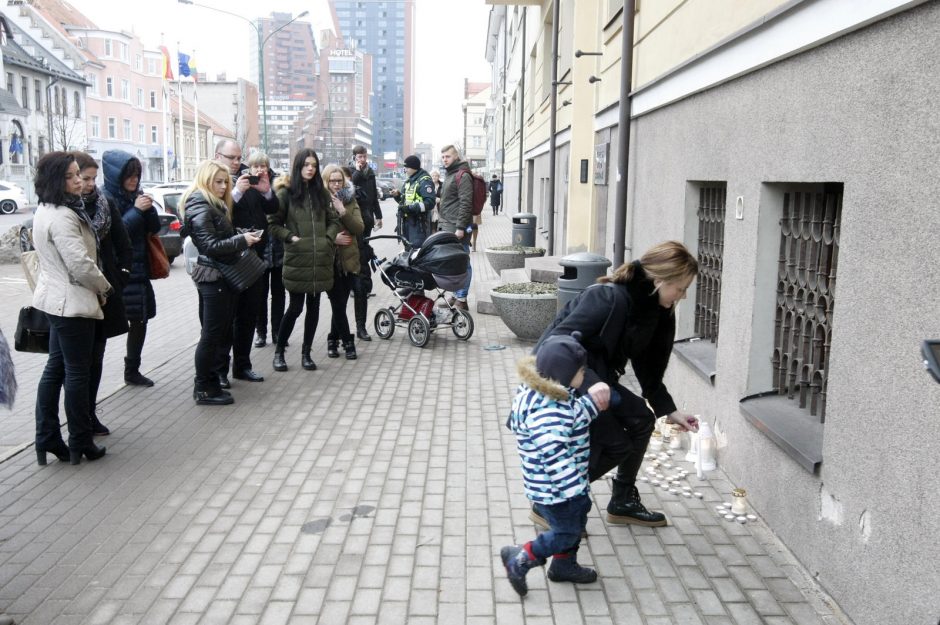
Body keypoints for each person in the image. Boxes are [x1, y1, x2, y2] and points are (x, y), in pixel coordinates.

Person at [533, 241, 701, 528]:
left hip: (599, 381)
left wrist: (669, 410)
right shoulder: (606, 297)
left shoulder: (657, 311)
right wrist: (591, 383)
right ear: (660, 279)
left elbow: (650, 370)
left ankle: (622, 500)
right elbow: (555, 344)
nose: (682, 296)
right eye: (681, 288)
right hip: (566, 380)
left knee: (642, 420)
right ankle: (552, 502)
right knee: (617, 444)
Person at [501, 331, 611, 596]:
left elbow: (571, 417)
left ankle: (563, 566)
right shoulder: (548, 411)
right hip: (557, 490)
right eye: (581, 371)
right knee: (567, 532)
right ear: (564, 374)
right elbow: (554, 455)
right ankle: (522, 558)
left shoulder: (553, 394)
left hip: (557, 487)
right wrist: (575, 489)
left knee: (575, 519)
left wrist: (592, 405)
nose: (584, 375)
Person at [32, 151, 112, 465]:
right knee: (76, 373)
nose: (79, 181)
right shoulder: (64, 215)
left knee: (55, 370)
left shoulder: (46, 209)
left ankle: (47, 438)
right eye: (71, 176)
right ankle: (80, 440)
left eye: (79, 174)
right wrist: (104, 287)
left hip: (55, 300)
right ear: (54, 180)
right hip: (72, 303)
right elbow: (80, 264)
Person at [182, 159, 262, 405]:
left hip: (219, 275)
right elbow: (210, 246)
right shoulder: (200, 204)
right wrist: (242, 240)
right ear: (205, 180)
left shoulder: (210, 204)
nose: (223, 186)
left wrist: (238, 235)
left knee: (217, 334)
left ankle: (210, 383)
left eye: (226, 182)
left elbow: (215, 239)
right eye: (218, 182)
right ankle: (204, 387)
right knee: (212, 335)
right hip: (213, 276)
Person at [268, 148, 342, 372]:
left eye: (314, 165)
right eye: (306, 164)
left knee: (314, 306)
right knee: (295, 307)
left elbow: (334, 220)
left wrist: (327, 239)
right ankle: (279, 352)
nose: (311, 168)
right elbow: (272, 224)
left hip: (320, 259)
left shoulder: (321, 193)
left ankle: (306, 353)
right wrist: (291, 237)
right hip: (297, 259)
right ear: (298, 166)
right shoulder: (286, 193)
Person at [74, 151, 132, 436]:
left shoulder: (105, 204)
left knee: (96, 357)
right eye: (84, 178)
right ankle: (76, 421)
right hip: (76, 298)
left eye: (93, 178)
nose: (89, 184)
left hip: (105, 293)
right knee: (75, 364)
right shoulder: (67, 209)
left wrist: (120, 278)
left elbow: (124, 245)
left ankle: (90, 413)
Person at [102, 150, 159, 387]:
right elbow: (117, 233)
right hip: (118, 272)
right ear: (117, 176)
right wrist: (136, 210)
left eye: (136, 175)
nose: (134, 180)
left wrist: (149, 208)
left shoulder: (136, 195)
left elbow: (153, 228)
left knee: (141, 320)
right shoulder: (106, 199)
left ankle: (132, 369)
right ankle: (96, 374)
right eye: (129, 175)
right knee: (107, 326)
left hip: (139, 270)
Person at [225, 149, 278, 383]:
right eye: (232, 158)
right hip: (232, 256)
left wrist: (266, 192)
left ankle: (242, 365)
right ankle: (219, 371)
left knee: (248, 313)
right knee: (229, 318)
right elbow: (223, 210)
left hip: (255, 253)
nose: (237, 163)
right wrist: (238, 191)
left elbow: (272, 208)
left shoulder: (256, 187)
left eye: (239, 158)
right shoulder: (228, 184)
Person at [324, 165, 364, 360]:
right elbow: (313, 232)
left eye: (339, 180)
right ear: (326, 181)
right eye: (332, 180)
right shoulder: (319, 201)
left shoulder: (349, 199)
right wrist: (333, 238)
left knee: (339, 303)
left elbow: (358, 228)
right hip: (328, 260)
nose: (336, 184)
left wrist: (342, 211)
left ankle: (332, 340)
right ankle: (348, 342)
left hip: (348, 260)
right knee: (337, 303)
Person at [350, 145, 382, 341]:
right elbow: (352, 191)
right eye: (359, 156)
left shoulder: (370, 174)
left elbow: (373, 198)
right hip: (352, 226)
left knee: (362, 275)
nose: (362, 159)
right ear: (354, 157)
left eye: (364, 156)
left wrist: (378, 216)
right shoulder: (352, 174)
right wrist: (358, 172)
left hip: (366, 222)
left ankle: (361, 326)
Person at [252, 155, 285, 349]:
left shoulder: (278, 184)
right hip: (260, 248)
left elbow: (281, 209)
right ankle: (261, 332)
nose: (259, 169)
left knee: (279, 293)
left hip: (279, 246)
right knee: (260, 294)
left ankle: (278, 331)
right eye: (255, 165)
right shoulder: (247, 185)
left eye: (262, 165)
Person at [438, 145, 474, 310]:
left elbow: (466, 203)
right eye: (443, 157)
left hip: (457, 228)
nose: (445, 159)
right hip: (448, 226)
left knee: (463, 263)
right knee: (453, 264)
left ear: (456, 157)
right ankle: (454, 295)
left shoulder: (462, 175)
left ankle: (462, 299)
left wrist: (460, 227)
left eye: (448, 156)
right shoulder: (450, 174)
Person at [390, 155, 435, 249]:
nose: (404, 170)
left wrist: (411, 208)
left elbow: (430, 202)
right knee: (409, 250)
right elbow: (404, 202)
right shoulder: (409, 181)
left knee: (417, 251)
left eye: (406, 167)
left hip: (419, 224)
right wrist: (397, 196)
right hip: (407, 222)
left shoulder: (424, 181)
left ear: (413, 167)